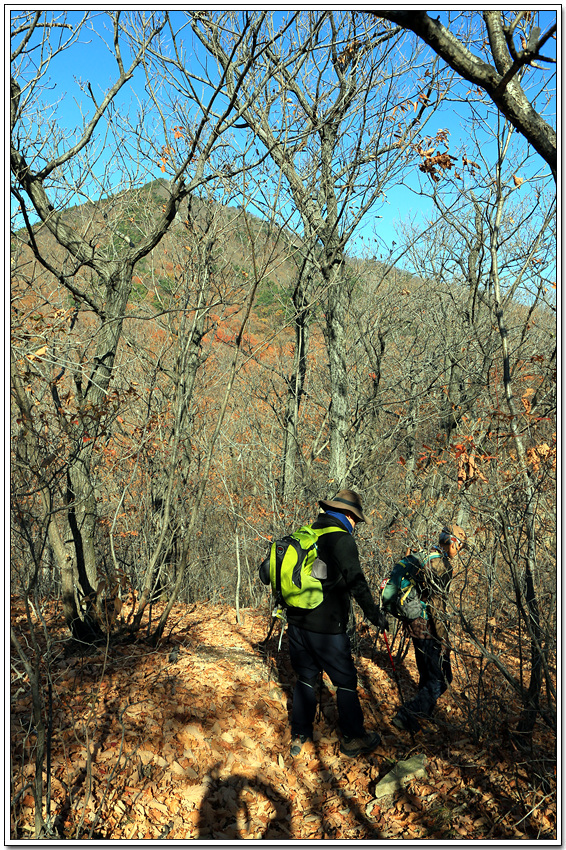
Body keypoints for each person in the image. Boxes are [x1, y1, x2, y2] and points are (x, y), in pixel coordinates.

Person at [284, 489, 388, 758]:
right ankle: (353, 739)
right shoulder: (342, 540)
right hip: (327, 628)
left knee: (306, 677)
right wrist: (374, 615)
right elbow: (357, 582)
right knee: (346, 681)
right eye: (356, 519)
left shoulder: (307, 533)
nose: (356, 524)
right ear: (347, 515)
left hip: (296, 623)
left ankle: (299, 736)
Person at [391, 523, 466, 735]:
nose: (460, 550)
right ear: (452, 542)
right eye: (460, 545)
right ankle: (407, 714)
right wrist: (443, 638)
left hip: (415, 623)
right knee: (442, 678)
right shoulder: (441, 565)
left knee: (427, 675)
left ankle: (421, 718)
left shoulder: (424, 555)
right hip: (428, 627)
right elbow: (437, 605)